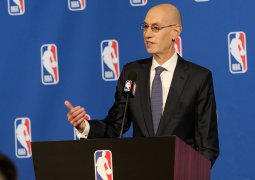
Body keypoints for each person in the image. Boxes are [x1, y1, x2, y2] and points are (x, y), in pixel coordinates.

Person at [65, 3, 219, 166]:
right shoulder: (132, 73)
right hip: (140, 171)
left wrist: (191, 174)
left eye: (155, 28)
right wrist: (85, 126)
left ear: (175, 31)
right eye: (145, 27)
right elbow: (116, 126)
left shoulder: (198, 78)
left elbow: (207, 146)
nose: (147, 34)